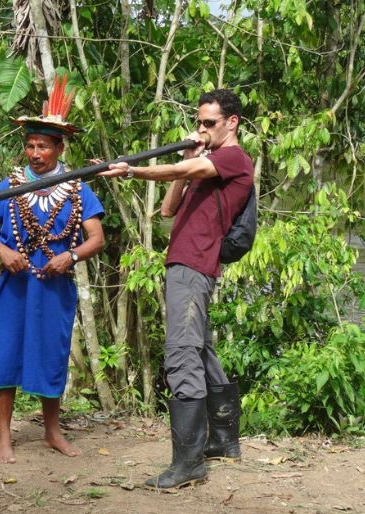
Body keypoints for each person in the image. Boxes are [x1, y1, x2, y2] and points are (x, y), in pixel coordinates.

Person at [100, 88, 253, 489]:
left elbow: (185, 173)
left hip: (194, 265)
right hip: (184, 261)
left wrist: (132, 171)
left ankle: (189, 463)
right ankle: (223, 441)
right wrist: (187, 157)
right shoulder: (203, 165)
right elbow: (169, 208)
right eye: (198, 122)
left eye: (209, 123)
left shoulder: (233, 158)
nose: (200, 129)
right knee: (200, 350)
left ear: (231, 122)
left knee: (182, 354)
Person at [0, 76, 105, 464]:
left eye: (43, 146)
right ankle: (3, 437)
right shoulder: (10, 185)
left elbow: (96, 238)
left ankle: (52, 431)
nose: (35, 153)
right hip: (14, 285)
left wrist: (72, 256)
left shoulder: (78, 188)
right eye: (30, 145)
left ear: (59, 148)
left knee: (51, 352)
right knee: (4, 352)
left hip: (53, 286)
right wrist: (2, 251)